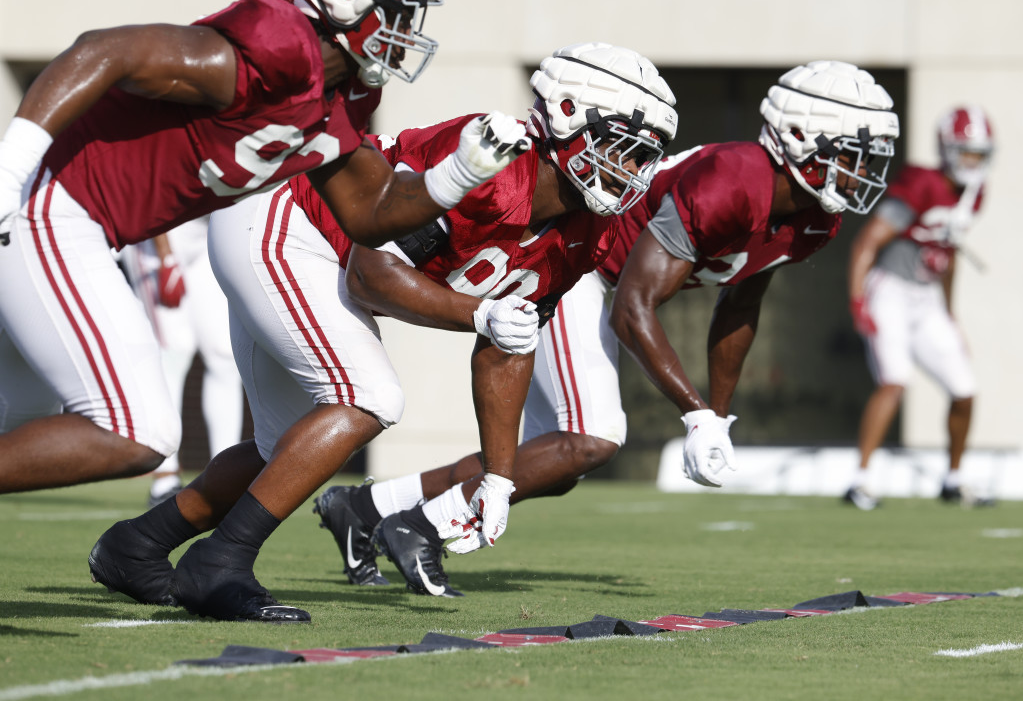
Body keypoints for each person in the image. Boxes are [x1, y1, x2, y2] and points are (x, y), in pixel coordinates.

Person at [0, 0, 522, 634]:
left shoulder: (336, 90)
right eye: (400, 6)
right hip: (50, 209)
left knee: (2, 418)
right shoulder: (276, 44)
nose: (410, 28)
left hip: (73, 225)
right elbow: (102, 49)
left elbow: (369, 213)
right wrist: (6, 164)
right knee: (132, 430)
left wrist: (455, 176)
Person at [86, 42, 679, 613]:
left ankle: (136, 547)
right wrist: (477, 313)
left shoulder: (586, 231)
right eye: (618, 146)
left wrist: (498, 478)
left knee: (283, 449)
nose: (630, 169)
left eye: (641, 156)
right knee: (369, 395)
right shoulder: (497, 170)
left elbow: (508, 345)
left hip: (320, 257)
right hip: (290, 221)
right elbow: (372, 272)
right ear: (567, 116)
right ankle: (220, 563)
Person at [318, 60, 900, 595]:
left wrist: (717, 416)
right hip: (580, 269)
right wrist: (694, 413)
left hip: (599, 282)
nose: (861, 172)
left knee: (560, 459)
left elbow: (741, 305)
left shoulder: (815, 221)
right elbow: (633, 305)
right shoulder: (734, 178)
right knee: (592, 436)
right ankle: (419, 524)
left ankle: (369, 510)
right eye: (852, 153)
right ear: (798, 139)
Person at [843, 106, 994, 510]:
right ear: (947, 148)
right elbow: (867, 243)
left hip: (927, 298)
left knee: (965, 390)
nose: (972, 162)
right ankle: (861, 480)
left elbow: (948, 255)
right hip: (890, 289)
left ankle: (953, 479)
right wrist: (859, 301)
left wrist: (950, 313)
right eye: (966, 152)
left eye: (979, 154)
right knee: (894, 381)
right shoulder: (922, 183)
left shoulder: (975, 194)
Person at [119, 219, 244, 507]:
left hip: (208, 234)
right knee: (174, 351)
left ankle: (225, 477)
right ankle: (164, 476)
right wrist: (166, 255)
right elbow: (155, 183)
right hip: (159, 232)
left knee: (224, 355)